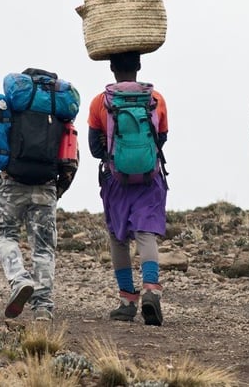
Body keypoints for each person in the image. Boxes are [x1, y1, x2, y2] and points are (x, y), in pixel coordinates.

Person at [0, 68, 79, 323]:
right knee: (44, 247)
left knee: (2, 232)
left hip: (12, 182)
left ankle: (19, 279)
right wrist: (57, 190)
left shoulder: (12, 108)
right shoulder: (60, 112)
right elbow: (71, 157)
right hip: (46, 185)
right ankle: (43, 307)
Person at [87, 51, 169, 325]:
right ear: (139, 66)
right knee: (146, 234)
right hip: (149, 179)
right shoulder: (156, 99)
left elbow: (95, 148)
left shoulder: (101, 102)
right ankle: (150, 291)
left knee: (118, 238)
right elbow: (162, 139)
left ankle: (126, 301)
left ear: (111, 68)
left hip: (116, 181)